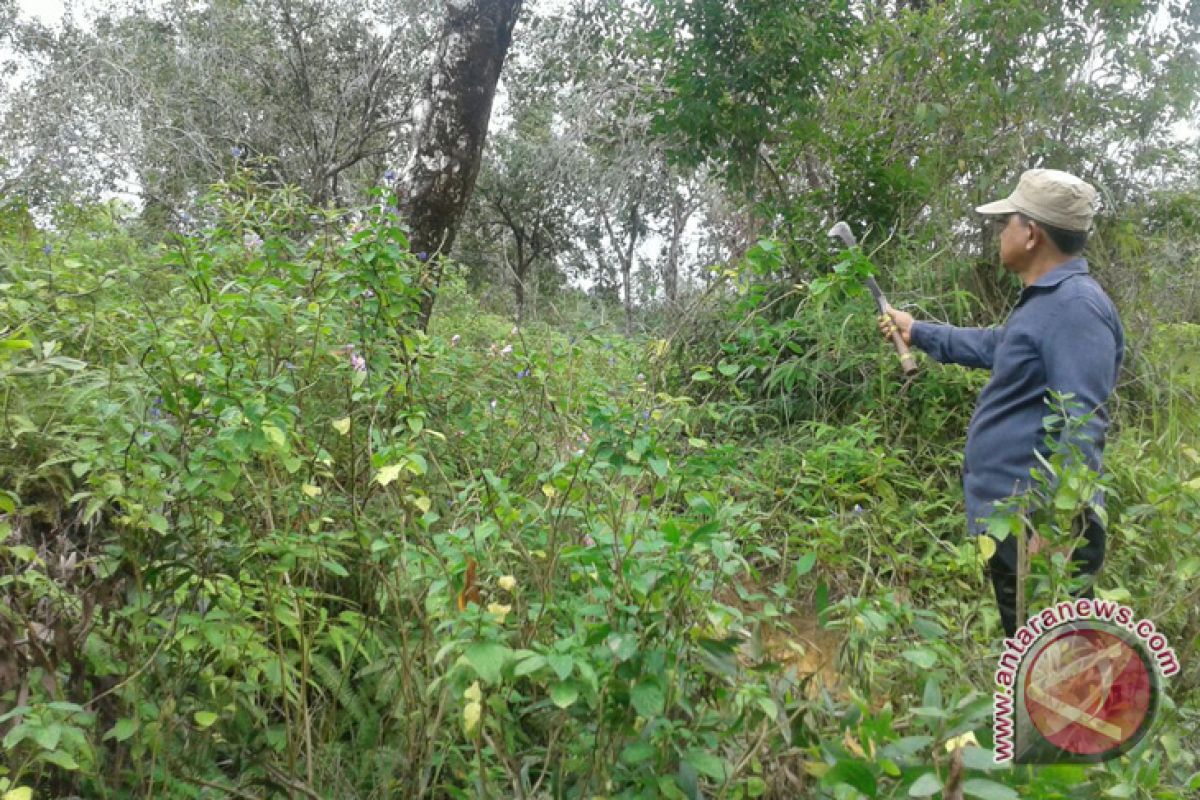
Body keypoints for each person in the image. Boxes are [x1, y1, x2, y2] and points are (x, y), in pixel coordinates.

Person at [880, 168, 1125, 637]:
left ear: (1031, 233)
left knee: (1057, 665)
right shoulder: (1047, 304)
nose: (1000, 233)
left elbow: (1083, 423)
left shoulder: (1075, 307)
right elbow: (1000, 347)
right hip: (1018, 519)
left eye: (1005, 222)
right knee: (1037, 655)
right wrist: (918, 331)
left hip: (1039, 525)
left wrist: (1053, 528)